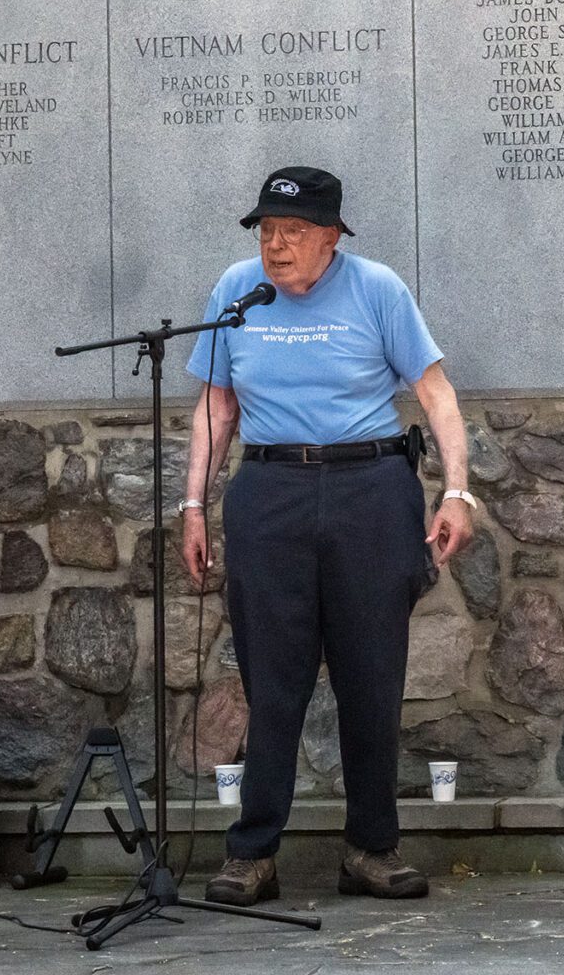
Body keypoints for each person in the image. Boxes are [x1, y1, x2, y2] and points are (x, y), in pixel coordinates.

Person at [182, 166, 473, 906]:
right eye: (267, 232)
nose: (275, 248)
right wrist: (193, 505)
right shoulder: (236, 290)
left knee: (371, 678)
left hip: (370, 490)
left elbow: (435, 393)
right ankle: (253, 855)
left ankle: (372, 850)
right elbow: (217, 408)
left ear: (332, 238)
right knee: (270, 680)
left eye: (294, 234)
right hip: (271, 490)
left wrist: (458, 490)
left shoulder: (377, 288)